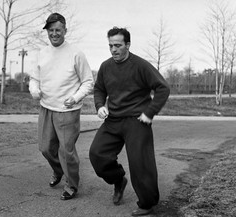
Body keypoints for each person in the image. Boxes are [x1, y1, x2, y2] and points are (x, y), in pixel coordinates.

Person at [89, 27, 170, 216]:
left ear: (128, 45)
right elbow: (99, 89)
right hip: (113, 119)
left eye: (118, 45)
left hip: (137, 120)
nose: (113, 50)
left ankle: (147, 204)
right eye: (110, 46)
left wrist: (149, 112)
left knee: (140, 164)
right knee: (97, 154)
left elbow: (162, 88)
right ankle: (118, 179)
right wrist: (100, 105)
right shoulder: (106, 66)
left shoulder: (140, 65)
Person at [29, 12, 94, 200]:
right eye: (51, 30)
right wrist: (35, 89)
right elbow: (34, 78)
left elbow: (88, 82)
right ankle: (58, 171)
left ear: (65, 30)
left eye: (58, 30)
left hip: (67, 110)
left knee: (66, 151)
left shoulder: (76, 53)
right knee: (45, 148)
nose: (54, 33)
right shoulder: (42, 52)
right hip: (46, 107)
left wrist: (75, 97)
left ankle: (72, 185)